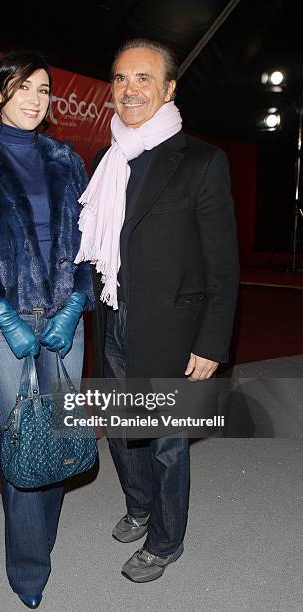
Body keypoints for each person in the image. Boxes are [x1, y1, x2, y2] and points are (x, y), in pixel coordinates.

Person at [75, 38, 239, 583]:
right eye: (121, 78)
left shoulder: (201, 161)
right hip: (114, 318)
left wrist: (212, 343)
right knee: (123, 428)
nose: (130, 89)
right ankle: (140, 505)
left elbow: (222, 265)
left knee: (166, 442)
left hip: (173, 326)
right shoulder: (106, 160)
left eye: (144, 78)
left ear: (169, 88)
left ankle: (166, 542)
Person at [0, 50, 94, 609]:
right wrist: (5, 315)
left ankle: (41, 535)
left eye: (44, 90)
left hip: (64, 319)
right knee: (22, 435)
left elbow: (88, 242)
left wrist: (75, 305)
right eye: (23, 87)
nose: (35, 99)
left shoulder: (66, 159)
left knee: (57, 432)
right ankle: (29, 565)